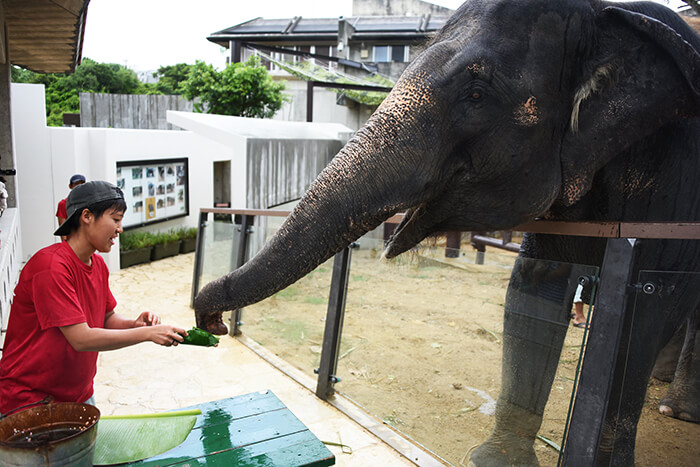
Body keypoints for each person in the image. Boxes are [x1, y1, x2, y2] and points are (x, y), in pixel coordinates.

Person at [0, 181, 187, 415]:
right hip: (30, 402)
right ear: (87, 216)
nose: (120, 229)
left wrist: (134, 324)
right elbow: (81, 338)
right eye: (116, 219)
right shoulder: (50, 267)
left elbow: (106, 317)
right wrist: (148, 334)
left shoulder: (97, 264)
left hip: (78, 395)